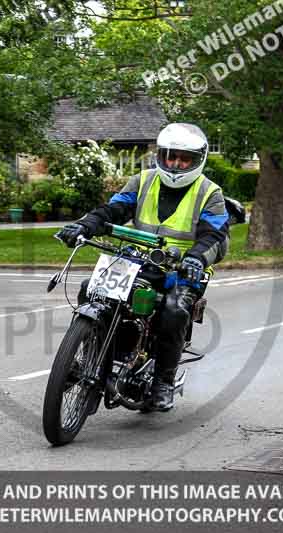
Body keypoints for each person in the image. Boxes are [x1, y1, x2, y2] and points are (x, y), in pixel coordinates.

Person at [55, 123, 230, 411]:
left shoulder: (209, 192)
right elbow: (113, 210)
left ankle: (163, 381)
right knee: (91, 289)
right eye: (171, 156)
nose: (176, 164)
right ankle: (91, 357)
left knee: (174, 310)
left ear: (198, 160)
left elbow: (215, 236)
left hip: (183, 269)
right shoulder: (143, 180)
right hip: (136, 260)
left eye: (184, 158)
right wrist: (84, 225)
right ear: (160, 155)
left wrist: (196, 258)